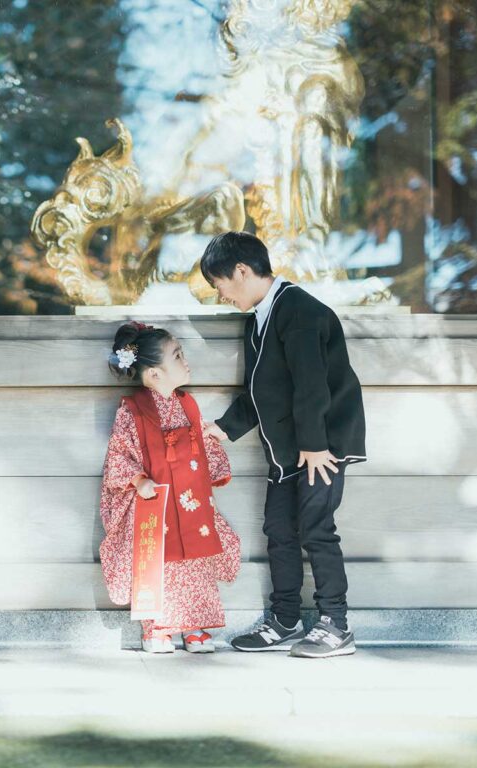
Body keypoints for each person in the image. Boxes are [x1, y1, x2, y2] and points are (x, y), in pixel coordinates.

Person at [200, 231, 365, 659]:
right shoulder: (259, 316)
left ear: (240, 271)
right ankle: (286, 620)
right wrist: (224, 427)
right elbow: (263, 389)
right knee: (278, 530)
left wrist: (313, 445)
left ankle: (336, 626)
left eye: (219, 283)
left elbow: (312, 386)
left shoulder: (299, 310)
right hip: (289, 449)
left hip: (320, 447)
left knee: (317, 530)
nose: (220, 294)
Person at [99, 321, 241, 653]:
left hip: (191, 502)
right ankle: (157, 629)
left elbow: (203, 446)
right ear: (153, 375)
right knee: (157, 564)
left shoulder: (188, 405)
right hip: (156, 503)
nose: (186, 362)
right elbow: (118, 454)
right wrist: (139, 480)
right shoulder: (132, 411)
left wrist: (212, 471)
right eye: (177, 356)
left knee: (196, 561)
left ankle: (193, 627)